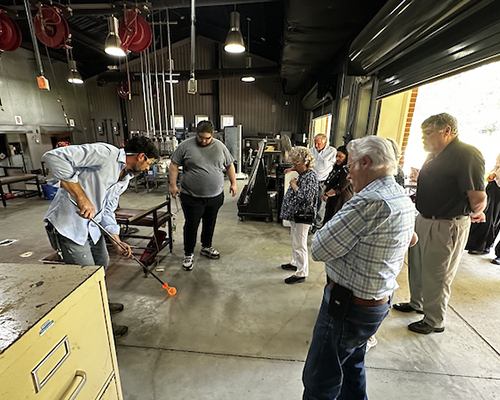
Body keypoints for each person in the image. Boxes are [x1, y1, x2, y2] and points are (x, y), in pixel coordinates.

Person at [302, 136, 415, 399]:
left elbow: (319, 248)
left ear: (366, 162)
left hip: (349, 306)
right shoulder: (400, 194)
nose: (349, 173)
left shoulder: (368, 202)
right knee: (351, 368)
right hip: (376, 302)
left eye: (351, 165)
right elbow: (412, 238)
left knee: (320, 378)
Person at [43, 136, 159, 338]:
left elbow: (107, 210)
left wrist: (116, 239)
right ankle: (99, 325)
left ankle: (100, 302)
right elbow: (53, 156)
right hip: (69, 226)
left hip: (92, 228)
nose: (148, 168)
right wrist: (81, 196)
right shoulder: (106, 154)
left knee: (102, 263)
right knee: (86, 277)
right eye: (149, 163)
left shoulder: (125, 178)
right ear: (141, 156)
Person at [393, 113, 486, 334]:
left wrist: (476, 212)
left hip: (446, 224)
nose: (423, 138)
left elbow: (478, 197)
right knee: (417, 267)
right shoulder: (434, 154)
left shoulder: (466, 154)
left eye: (427, 133)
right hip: (424, 219)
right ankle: (418, 303)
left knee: (438, 273)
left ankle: (434, 320)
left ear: (447, 131)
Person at [169, 121, 237, 271]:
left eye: (207, 138)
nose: (204, 141)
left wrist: (233, 183)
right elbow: (174, 164)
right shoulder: (185, 146)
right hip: (191, 196)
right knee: (192, 224)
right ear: (196, 133)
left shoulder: (220, 146)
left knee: (210, 222)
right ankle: (188, 253)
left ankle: (206, 246)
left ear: (213, 135)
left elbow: (229, 165)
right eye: (201, 137)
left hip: (215, 195)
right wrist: (173, 185)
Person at [280, 147, 318, 284]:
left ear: (305, 162)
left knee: (300, 244)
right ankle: (296, 262)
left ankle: (302, 272)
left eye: (296, 163)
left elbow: (305, 197)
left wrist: (294, 185)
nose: (294, 165)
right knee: (295, 241)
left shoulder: (310, 176)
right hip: (296, 215)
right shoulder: (303, 174)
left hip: (303, 216)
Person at [466, 152, 500, 257]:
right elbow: (497, 166)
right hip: (496, 185)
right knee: (487, 216)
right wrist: (493, 173)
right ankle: (481, 246)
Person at [310, 134, 336, 232]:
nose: (316, 145)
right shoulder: (312, 150)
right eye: (315, 143)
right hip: (313, 181)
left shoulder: (332, 152)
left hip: (324, 182)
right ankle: (311, 222)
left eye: (318, 143)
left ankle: (318, 224)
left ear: (325, 142)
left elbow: (335, 166)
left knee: (321, 205)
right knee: (312, 203)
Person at [321, 145, 353, 224]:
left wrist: (327, 194)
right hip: (331, 199)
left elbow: (340, 187)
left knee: (335, 221)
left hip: (340, 200)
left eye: (340, 156)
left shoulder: (348, 170)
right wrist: (324, 191)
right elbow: (329, 179)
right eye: (336, 156)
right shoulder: (336, 167)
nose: (337, 159)